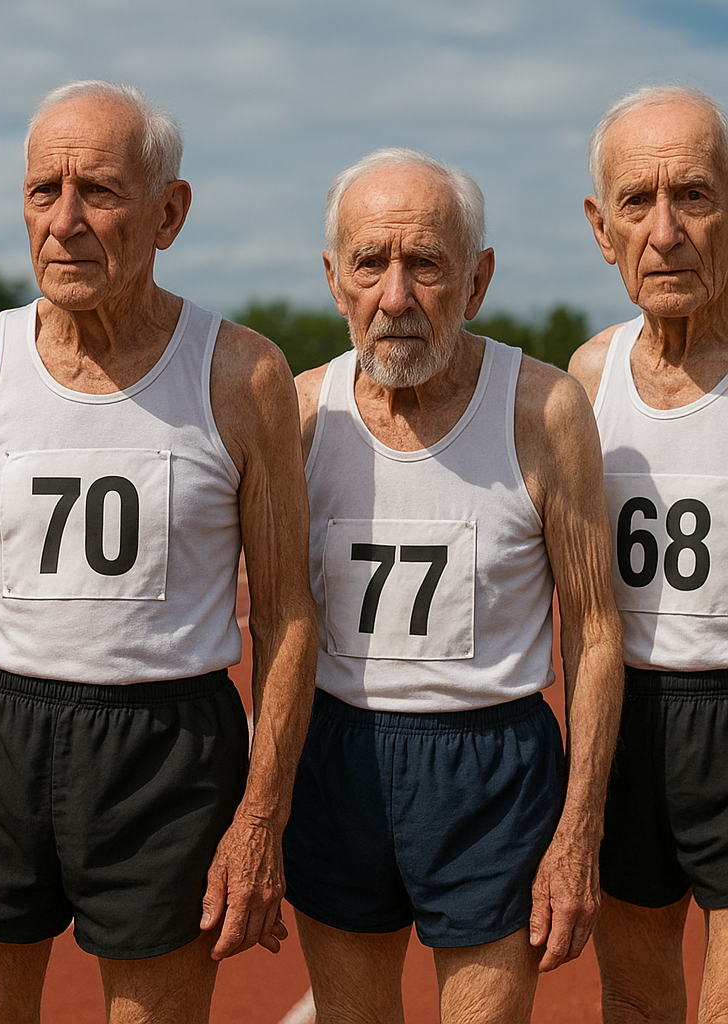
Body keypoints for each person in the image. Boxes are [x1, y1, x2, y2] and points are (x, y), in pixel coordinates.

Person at [0, 80, 316, 1024]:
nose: (65, 221)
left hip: (168, 751)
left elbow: (283, 614)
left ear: (170, 212)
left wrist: (260, 816)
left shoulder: (243, 375)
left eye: (99, 192)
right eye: (44, 191)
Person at [281, 148, 624, 1023]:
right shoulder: (297, 414)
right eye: (370, 264)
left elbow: (592, 630)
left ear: (476, 280)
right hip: (336, 758)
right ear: (334, 279)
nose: (394, 297)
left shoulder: (544, 411)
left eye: (426, 265)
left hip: (492, 770)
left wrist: (579, 831)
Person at [568, 86, 728, 1024]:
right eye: (637, 203)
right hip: (626, 721)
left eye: (695, 197)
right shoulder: (587, 380)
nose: (665, 232)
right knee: (632, 999)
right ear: (602, 229)